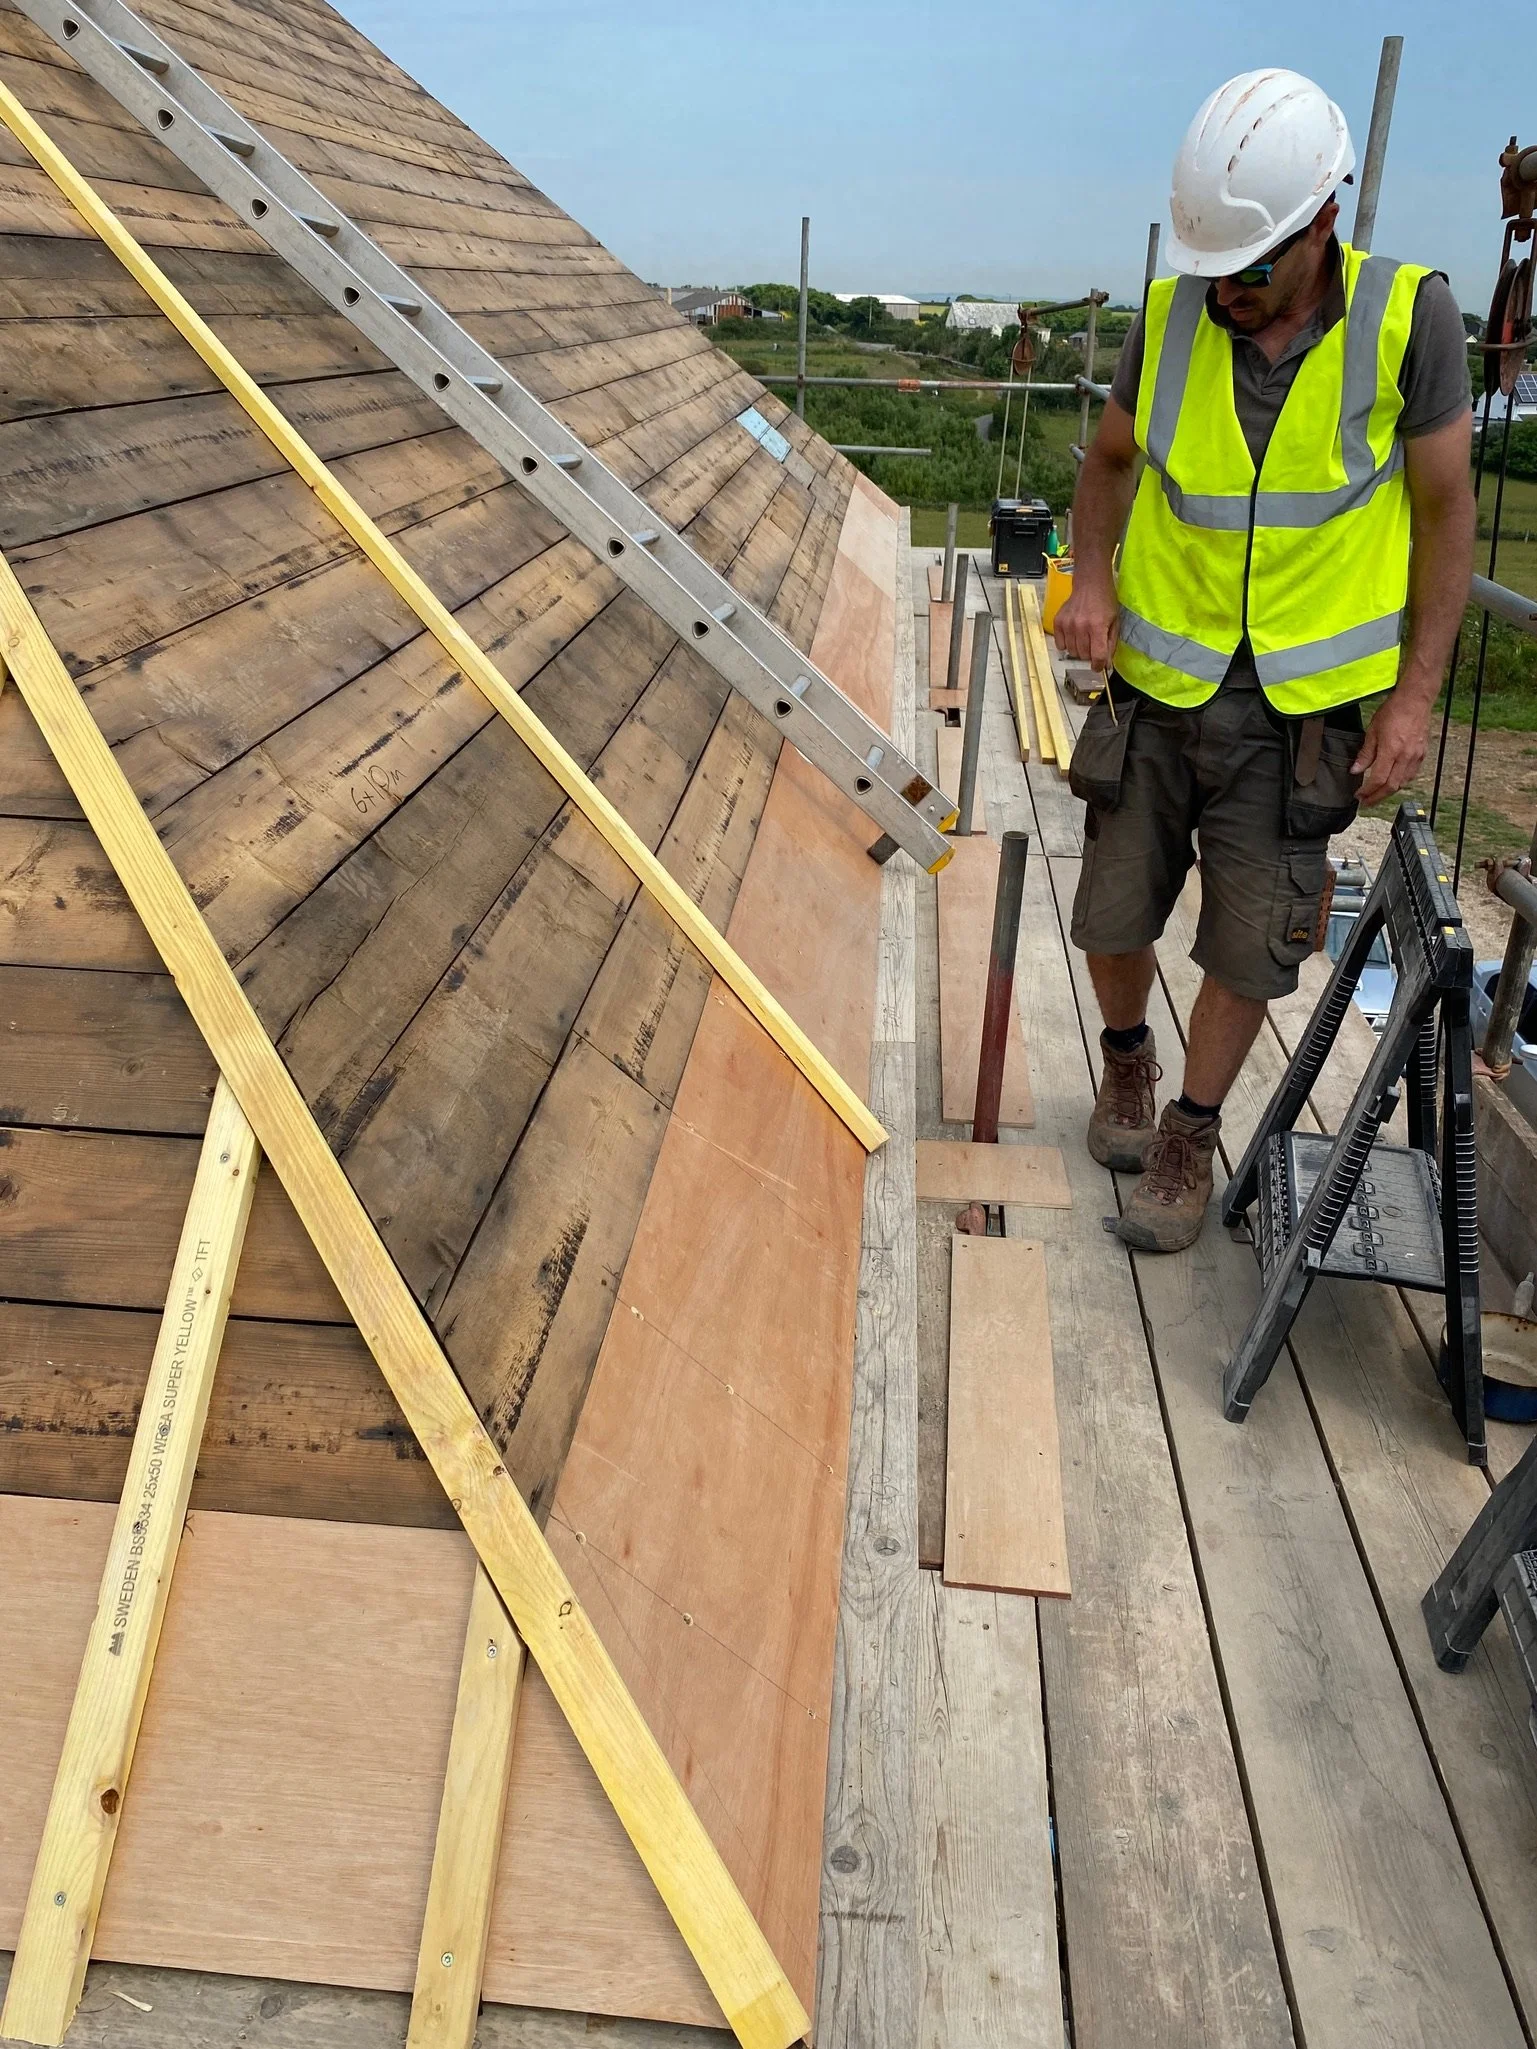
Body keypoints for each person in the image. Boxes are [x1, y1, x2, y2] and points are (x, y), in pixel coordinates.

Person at [1054, 67, 1475, 1251]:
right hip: (1157, 683)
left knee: (1251, 941)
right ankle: (1126, 1061)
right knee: (1109, 912)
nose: (1223, 292)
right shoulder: (1173, 311)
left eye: (1247, 269)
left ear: (1323, 224)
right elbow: (1106, 465)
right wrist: (1090, 584)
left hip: (1303, 718)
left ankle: (1188, 1130)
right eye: (1209, 270)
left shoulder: (1411, 318)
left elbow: (1447, 517)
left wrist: (1413, 703)